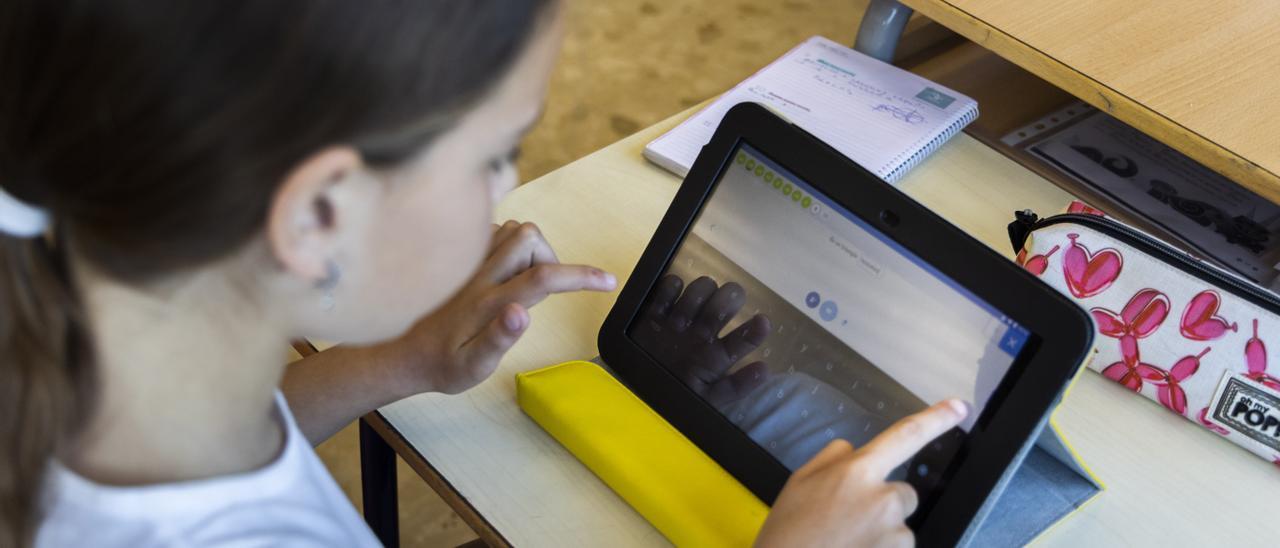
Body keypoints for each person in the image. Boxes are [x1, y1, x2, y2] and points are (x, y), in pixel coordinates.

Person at [0, 1, 967, 546]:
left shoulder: (83, 313)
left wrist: (390, 363)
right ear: (318, 214)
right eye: (495, 154)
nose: (510, 188)